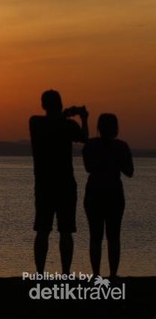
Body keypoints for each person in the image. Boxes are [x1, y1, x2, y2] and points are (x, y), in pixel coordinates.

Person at [29, 90, 88, 274]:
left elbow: (54, 126)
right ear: (60, 104)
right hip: (64, 184)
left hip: (45, 184)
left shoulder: (36, 123)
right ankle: (65, 273)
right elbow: (84, 138)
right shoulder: (64, 125)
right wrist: (84, 119)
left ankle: (41, 273)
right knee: (65, 231)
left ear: (43, 105)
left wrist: (66, 116)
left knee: (44, 230)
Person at [82, 113, 133, 278]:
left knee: (95, 236)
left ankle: (96, 274)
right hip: (114, 194)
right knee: (114, 236)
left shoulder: (90, 145)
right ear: (115, 129)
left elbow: (88, 167)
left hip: (94, 193)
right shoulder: (121, 146)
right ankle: (112, 274)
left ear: (99, 128)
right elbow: (129, 171)